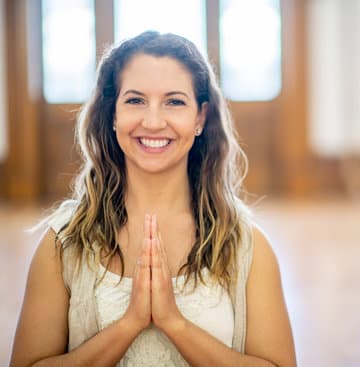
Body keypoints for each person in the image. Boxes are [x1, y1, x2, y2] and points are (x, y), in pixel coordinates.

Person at [10, 31, 296, 366]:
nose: (154, 121)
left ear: (200, 117)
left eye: (174, 102)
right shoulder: (64, 242)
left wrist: (175, 323)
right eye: (135, 100)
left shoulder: (247, 245)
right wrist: (129, 324)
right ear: (112, 114)